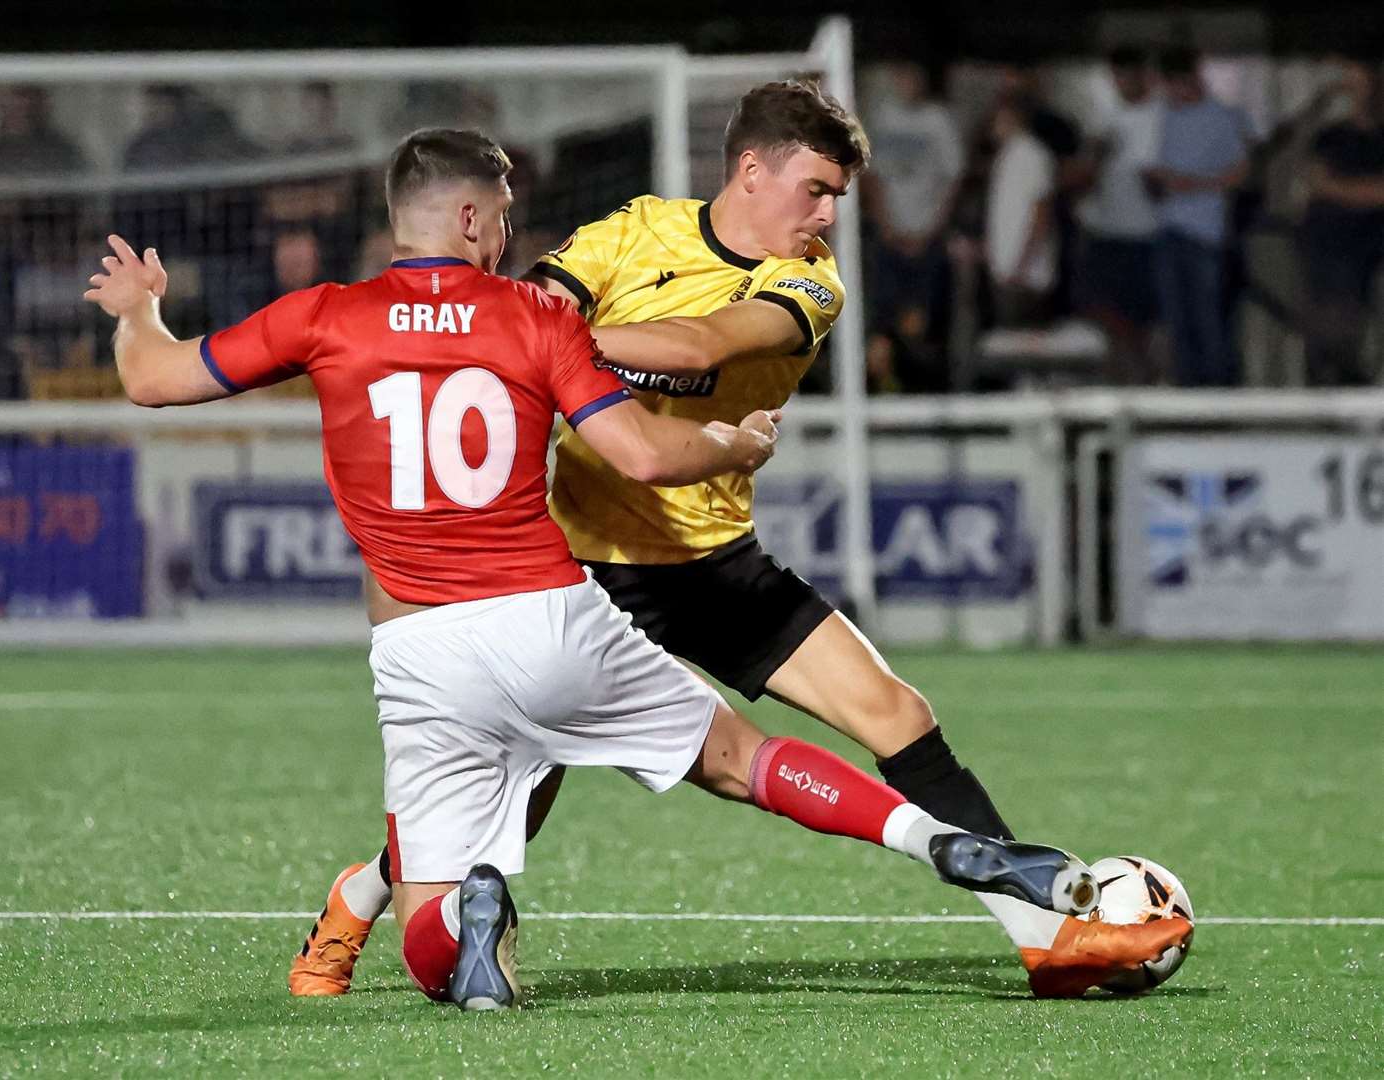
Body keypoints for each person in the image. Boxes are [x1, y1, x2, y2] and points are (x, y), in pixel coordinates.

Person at [85, 128, 1122, 1011]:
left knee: (438, 918)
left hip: (437, 641)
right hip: (560, 602)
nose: (506, 233)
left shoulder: (321, 314)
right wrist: (733, 445)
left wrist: (140, 305)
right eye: (496, 214)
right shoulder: (540, 310)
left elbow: (153, 378)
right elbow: (641, 451)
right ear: (469, 223)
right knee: (737, 760)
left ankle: (462, 925)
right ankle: (926, 842)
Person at [1145, 48, 1250, 387]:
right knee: (1177, 321)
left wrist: (1197, 184)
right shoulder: (1161, 117)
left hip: (1206, 234)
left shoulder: (1223, 117)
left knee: (1211, 320)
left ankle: (1220, 396)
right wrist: (1160, 182)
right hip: (1167, 230)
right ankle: (1186, 395)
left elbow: (1241, 173)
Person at [860, 60, 963, 391]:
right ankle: (885, 390)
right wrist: (885, 226)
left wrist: (932, 231)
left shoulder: (939, 121)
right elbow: (871, 178)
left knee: (923, 326)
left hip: (926, 242)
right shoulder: (882, 118)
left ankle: (925, 391)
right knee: (883, 322)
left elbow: (953, 181)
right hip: (889, 240)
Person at [1075, 47, 1164, 384]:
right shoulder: (1103, 119)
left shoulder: (1161, 117)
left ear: (1146, 76)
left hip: (1145, 235)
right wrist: (1095, 159)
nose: (1124, 82)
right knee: (1107, 324)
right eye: (1118, 75)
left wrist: (1155, 180)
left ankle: (1147, 390)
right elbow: (1082, 181)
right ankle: (1116, 392)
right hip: (1105, 234)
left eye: (1131, 74)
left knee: (1145, 327)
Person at [1299, 60, 1384, 387]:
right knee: (1323, 334)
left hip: (1364, 253)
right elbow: (1312, 178)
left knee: (1351, 335)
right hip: (1324, 248)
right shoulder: (1331, 135)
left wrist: (1336, 189)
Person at [984, 94, 1059, 326]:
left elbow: (1041, 213)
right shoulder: (1005, 156)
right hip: (1006, 272)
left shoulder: (1034, 155)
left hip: (1026, 277)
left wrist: (1022, 265)